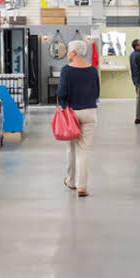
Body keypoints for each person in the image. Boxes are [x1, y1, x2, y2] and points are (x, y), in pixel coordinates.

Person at [56, 40, 100, 197]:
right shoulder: (93, 70)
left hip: (72, 113)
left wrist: (63, 106)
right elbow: (97, 93)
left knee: (71, 148)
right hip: (89, 112)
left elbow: (61, 93)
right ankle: (82, 186)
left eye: (68, 50)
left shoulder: (66, 70)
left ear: (73, 52)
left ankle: (71, 181)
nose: (67, 53)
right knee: (84, 149)